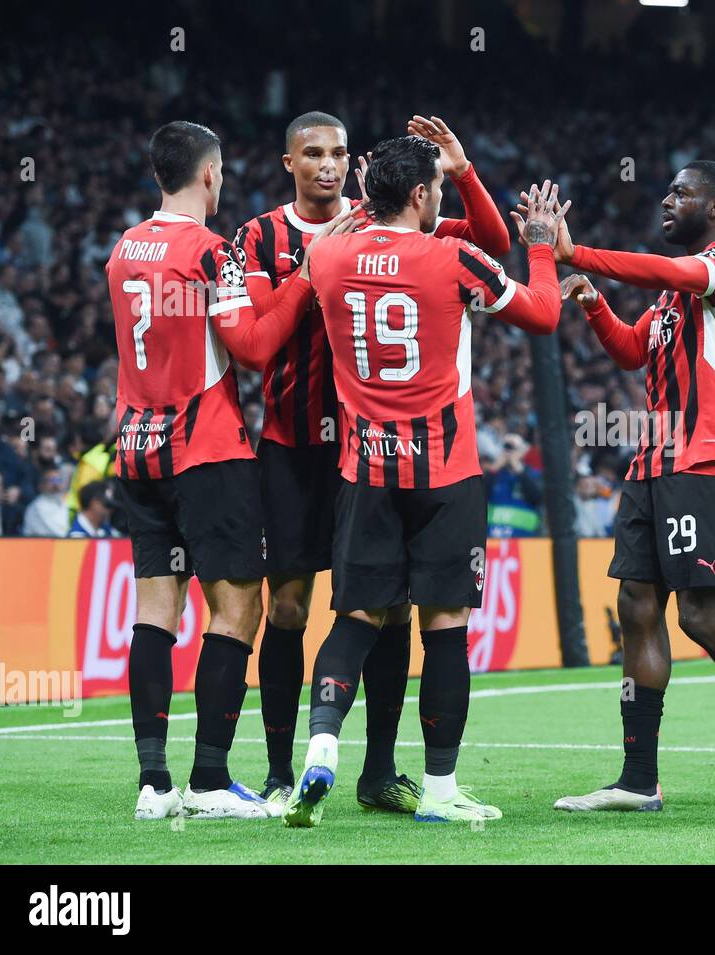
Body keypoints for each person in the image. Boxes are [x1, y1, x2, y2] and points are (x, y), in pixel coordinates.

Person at [234, 111, 510, 815]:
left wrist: (461, 171)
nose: (327, 165)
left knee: (386, 610)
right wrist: (315, 262)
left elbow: (490, 240)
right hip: (296, 449)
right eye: (313, 154)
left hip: (367, 452)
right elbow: (260, 341)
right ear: (288, 162)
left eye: (339, 153)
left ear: (355, 165)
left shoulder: (388, 222)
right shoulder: (260, 236)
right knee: (291, 606)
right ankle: (277, 770)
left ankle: (378, 770)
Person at [283, 135, 563, 827]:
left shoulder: (327, 256)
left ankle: (320, 748)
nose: (440, 195)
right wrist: (543, 244)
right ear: (419, 194)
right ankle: (439, 789)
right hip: (444, 471)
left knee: (354, 618)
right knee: (445, 625)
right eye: (437, 185)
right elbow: (544, 313)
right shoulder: (453, 257)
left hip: (364, 469)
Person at [106, 120, 356, 821]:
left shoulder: (123, 250)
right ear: (210, 175)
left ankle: (154, 784)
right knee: (239, 606)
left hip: (137, 447)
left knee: (156, 610)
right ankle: (211, 778)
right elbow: (252, 347)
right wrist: (308, 272)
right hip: (207, 450)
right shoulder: (214, 252)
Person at [551, 160, 715, 815]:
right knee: (637, 606)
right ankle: (638, 779)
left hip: (707, 460)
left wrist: (577, 251)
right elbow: (631, 350)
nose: (667, 201)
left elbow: (674, 269)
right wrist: (593, 303)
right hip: (653, 464)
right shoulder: (673, 299)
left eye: (681, 192)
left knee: (700, 613)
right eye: (668, 192)